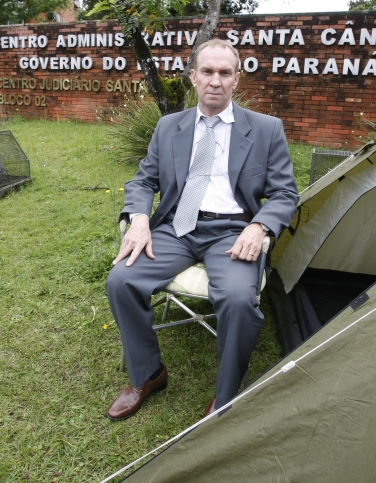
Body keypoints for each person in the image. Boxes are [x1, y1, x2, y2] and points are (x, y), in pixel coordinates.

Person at [105, 38, 299, 421]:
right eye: (207, 71)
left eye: (224, 73)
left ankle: (225, 396)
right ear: (192, 77)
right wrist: (140, 219)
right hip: (178, 226)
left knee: (239, 301)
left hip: (232, 231)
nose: (215, 80)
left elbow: (284, 193)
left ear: (237, 79)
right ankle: (148, 375)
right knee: (121, 281)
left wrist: (260, 225)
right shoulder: (169, 127)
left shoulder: (265, 129)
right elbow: (143, 181)